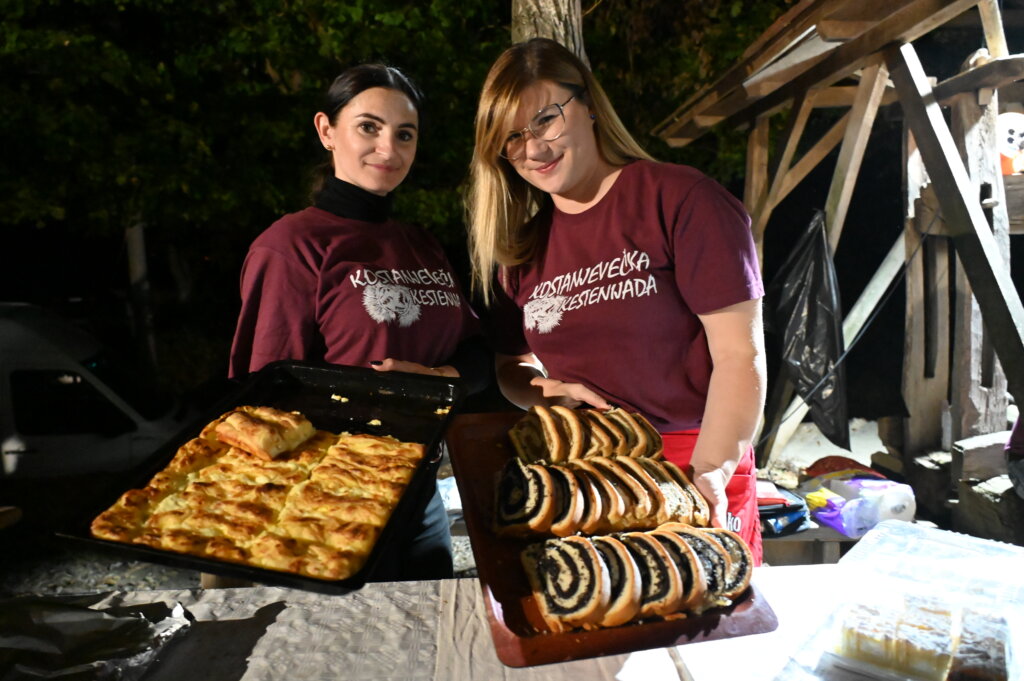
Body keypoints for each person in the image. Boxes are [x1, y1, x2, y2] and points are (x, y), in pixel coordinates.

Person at [467, 38, 767, 563]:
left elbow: (741, 357)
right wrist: (542, 393)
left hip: (691, 460)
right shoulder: (521, 248)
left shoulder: (680, 200)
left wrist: (712, 471)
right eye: (512, 138)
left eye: (545, 120)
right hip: (583, 473)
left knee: (704, 635)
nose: (533, 149)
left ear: (587, 105)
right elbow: (512, 365)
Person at [228, 64, 489, 581]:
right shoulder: (291, 246)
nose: (388, 149)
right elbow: (261, 402)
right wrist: (376, 397)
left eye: (404, 134)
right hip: (331, 505)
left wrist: (439, 383)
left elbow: (478, 354)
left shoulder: (421, 244)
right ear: (326, 130)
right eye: (368, 127)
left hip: (421, 495)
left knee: (429, 651)